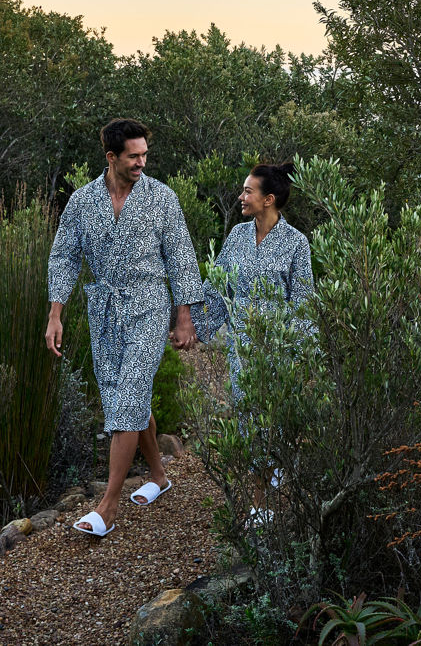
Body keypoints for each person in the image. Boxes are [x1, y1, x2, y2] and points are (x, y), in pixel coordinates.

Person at [46, 118, 203, 536]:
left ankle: (108, 507)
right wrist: (55, 314)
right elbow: (64, 257)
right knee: (123, 400)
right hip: (104, 311)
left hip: (149, 306)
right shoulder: (83, 201)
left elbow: (181, 257)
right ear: (111, 157)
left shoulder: (162, 197)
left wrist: (184, 316)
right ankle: (159, 476)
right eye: (133, 156)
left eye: (145, 155)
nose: (141, 163)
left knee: (129, 395)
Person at [194, 162, 314, 518]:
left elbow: (303, 301)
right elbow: (217, 286)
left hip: (278, 349)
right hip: (242, 348)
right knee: (249, 417)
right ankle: (264, 484)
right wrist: (192, 326)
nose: (241, 197)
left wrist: (305, 354)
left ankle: (262, 503)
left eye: (248, 191)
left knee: (271, 419)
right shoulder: (236, 235)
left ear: (268, 199)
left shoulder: (296, 243)